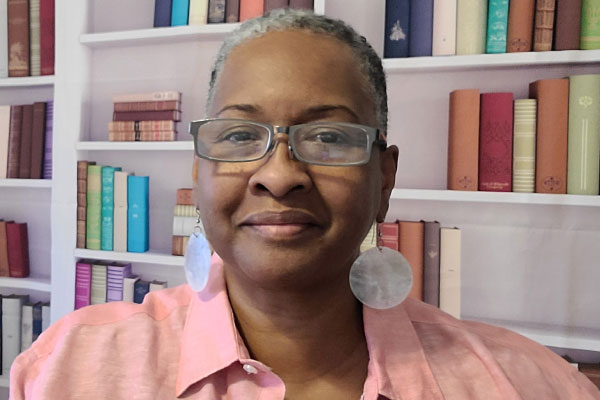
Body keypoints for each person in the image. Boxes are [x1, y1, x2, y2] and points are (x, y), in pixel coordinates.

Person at [10, 9, 600, 400]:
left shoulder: (529, 384)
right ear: (200, 171)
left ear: (384, 179)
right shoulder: (70, 369)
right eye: (241, 136)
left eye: (329, 138)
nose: (281, 176)